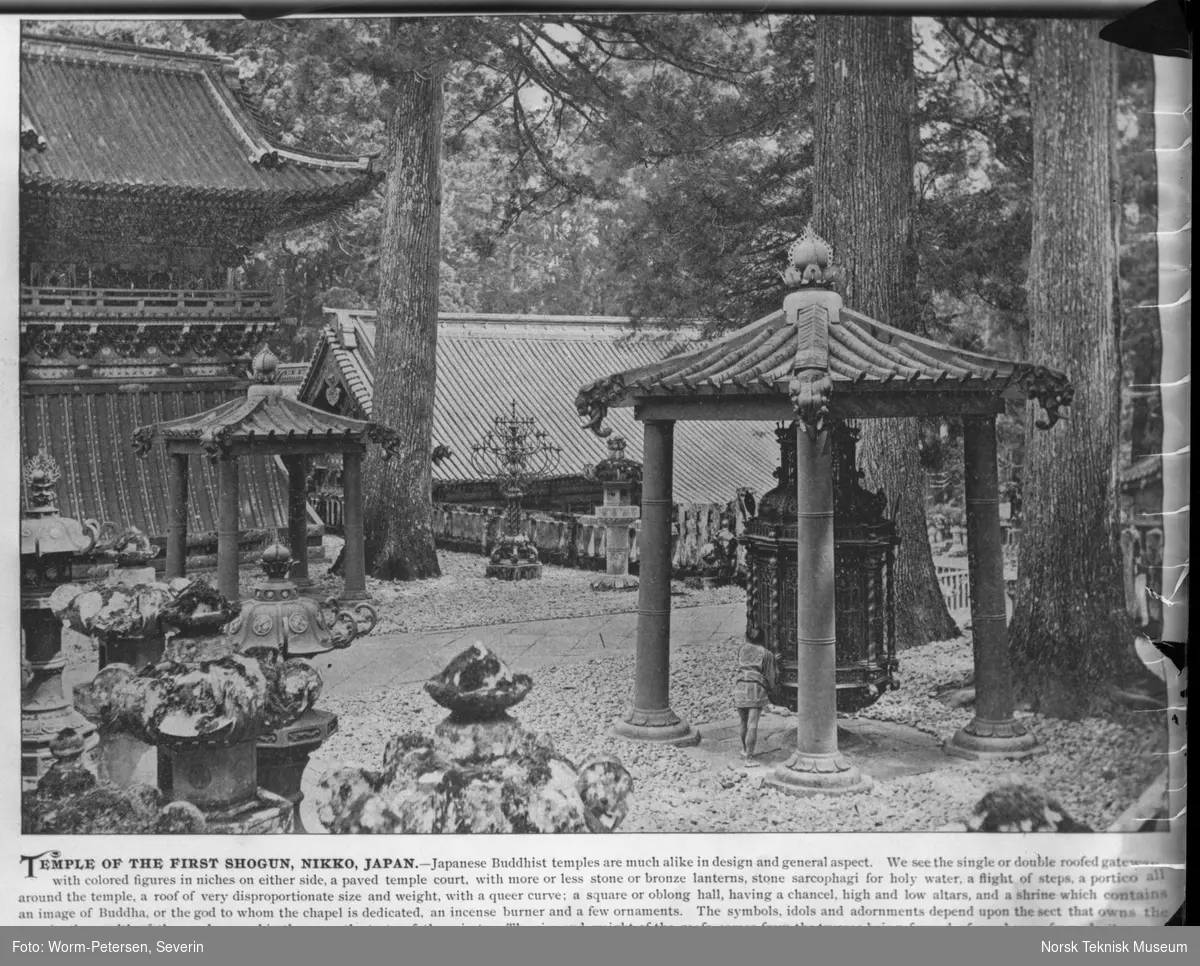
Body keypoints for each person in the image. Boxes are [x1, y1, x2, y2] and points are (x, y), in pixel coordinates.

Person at [733, 627, 778, 766]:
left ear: (747, 638)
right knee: (752, 724)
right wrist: (772, 690)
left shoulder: (741, 648)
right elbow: (770, 676)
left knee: (743, 723)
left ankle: (745, 750)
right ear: (763, 639)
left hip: (740, 687)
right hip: (755, 688)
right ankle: (749, 759)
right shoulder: (767, 653)